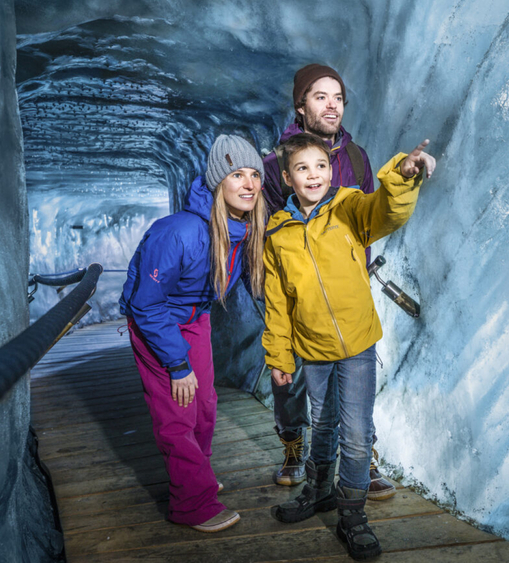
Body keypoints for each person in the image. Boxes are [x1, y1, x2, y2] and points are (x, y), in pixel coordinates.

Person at [263, 133, 435, 560]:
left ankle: (353, 513)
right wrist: (280, 357)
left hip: (356, 344)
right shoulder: (278, 233)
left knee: (356, 434)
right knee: (320, 424)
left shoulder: (349, 206)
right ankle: (319, 492)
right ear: (287, 177)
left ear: (331, 169)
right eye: (302, 168)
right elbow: (278, 302)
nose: (313, 175)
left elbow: (386, 212)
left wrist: (401, 176)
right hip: (313, 349)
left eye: (320, 165)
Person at [119, 134, 267, 532]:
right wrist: (177, 363)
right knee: (177, 412)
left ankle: (195, 476)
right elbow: (146, 303)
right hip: (156, 320)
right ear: (219, 181)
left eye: (255, 174)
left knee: (204, 404)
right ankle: (191, 504)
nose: (249, 184)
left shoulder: (242, 229)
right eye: (237, 174)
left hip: (195, 317)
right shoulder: (181, 231)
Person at [262, 63, 395, 501]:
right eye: (320, 96)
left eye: (337, 96)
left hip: (344, 290)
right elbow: (265, 231)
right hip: (295, 291)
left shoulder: (356, 159)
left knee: (354, 383)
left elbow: (368, 220)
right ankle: (295, 446)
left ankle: (361, 458)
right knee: (294, 381)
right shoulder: (273, 165)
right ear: (301, 106)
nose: (331, 104)